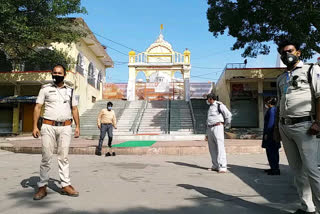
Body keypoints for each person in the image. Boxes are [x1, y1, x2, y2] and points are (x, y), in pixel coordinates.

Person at [275, 40, 320, 214]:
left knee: (312, 170)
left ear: (298, 52)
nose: (287, 55)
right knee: (297, 171)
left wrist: (318, 122)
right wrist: (276, 130)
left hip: (306, 126)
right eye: (283, 53)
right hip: (285, 127)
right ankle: (307, 207)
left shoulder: (311, 70)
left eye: (290, 51)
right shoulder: (280, 77)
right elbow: (279, 103)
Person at [32, 64, 80, 200]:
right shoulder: (45, 89)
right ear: (51, 74)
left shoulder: (70, 91)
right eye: (55, 73)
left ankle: (65, 185)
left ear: (65, 75)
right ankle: (42, 186)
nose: (57, 75)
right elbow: (37, 107)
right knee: (46, 156)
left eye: (60, 73)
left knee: (63, 157)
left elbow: (75, 109)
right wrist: (35, 126)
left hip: (65, 127)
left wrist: (77, 127)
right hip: (48, 126)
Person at [205, 93, 232, 173]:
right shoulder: (210, 107)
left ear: (210, 99)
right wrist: (206, 133)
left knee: (220, 147)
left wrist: (225, 125)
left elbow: (228, 115)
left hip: (218, 127)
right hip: (210, 128)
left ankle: (222, 166)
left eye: (207, 99)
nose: (207, 101)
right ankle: (215, 165)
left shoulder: (219, 105)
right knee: (212, 148)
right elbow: (209, 119)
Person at [262, 97, 281, 175]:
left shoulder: (272, 110)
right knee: (270, 151)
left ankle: (275, 169)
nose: (265, 104)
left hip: (271, 134)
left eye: (266, 102)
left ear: (269, 102)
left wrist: (267, 134)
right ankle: (272, 167)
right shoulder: (272, 110)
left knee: (272, 151)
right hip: (271, 133)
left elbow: (271, 123)